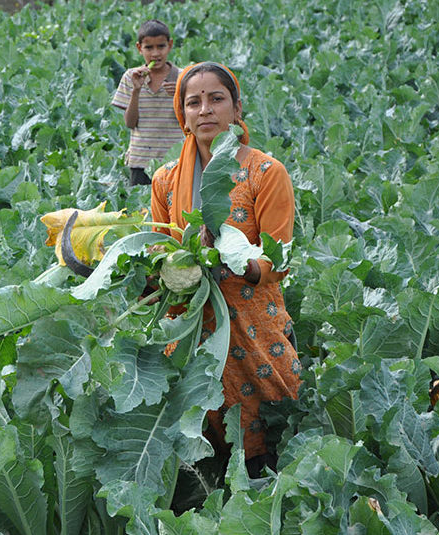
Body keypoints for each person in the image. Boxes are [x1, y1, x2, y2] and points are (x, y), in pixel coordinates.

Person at [149, 62, 300, 475]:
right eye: (193, 102)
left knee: (265, 439)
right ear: (183, 114)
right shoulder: (164, 180)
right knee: (199, 437)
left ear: (236, 108)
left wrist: (234, 260)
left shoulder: (265, 172)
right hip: (191, 323)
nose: (205, 110)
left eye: (216, 99)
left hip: (252, 323)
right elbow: (160, 246)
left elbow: (278, 256)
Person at [111, 19, 184, 186]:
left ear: (170, 45)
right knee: (139, 209)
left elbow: (189, 122)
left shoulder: (182, 78)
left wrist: (179, 97)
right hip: (140, 160)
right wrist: (136, 90)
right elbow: (130, 123)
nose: (155, 54)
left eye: (161, 46)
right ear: (139, 48)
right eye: (149, 48)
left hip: (175, 160)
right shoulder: (131, 77)